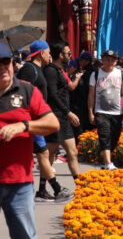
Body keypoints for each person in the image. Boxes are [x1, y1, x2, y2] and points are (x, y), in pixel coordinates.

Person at [0, 41, 60, 239]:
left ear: (12, 62)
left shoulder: (26, 90)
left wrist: (24, 125)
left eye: (5, 61)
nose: (2, 67)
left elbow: (52, 123)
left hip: (19, 182)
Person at [16, 41, 67, 203]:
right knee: (44, 153)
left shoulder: (38, 69)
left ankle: (42, 191)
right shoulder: (29, 70)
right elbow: (21, 93)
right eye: (48, 52)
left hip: (38, 119)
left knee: (42, 154)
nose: (50, 55)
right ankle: (56, 188)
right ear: (40, 53)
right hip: (31, 119)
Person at [42, 43, 81, 183]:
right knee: (50, 154)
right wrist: (69, 112)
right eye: (68, 53)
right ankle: (42, 189)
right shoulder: (50, 71)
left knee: (73, 152)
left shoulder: (59, 70)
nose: (70, 55)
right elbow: (53, 95)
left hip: (63, 118)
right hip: (55, 117)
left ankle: (80, 187)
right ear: (61, 55)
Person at [87, 50, 123, 171]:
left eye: (112, 60)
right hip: (101, 111)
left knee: (114, 138)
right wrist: (90, 112)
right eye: (107, 59)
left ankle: (106, 162)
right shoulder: (95, 74)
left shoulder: (120, 74)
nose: (109, 62)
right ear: (102, 60)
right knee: (104, 135)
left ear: (116, 61)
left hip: (117, 112)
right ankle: (108, 163)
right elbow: (91, 95)